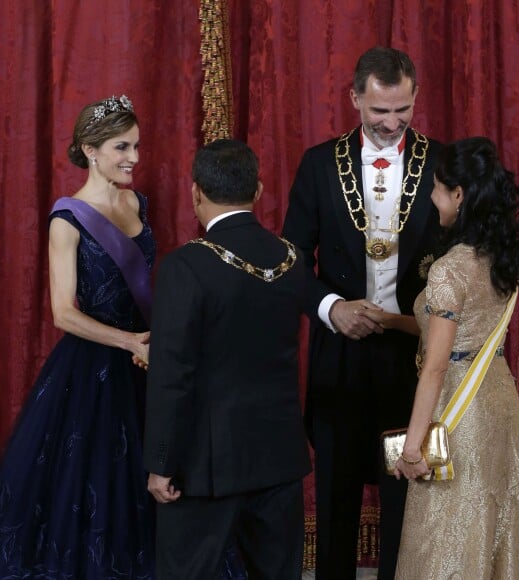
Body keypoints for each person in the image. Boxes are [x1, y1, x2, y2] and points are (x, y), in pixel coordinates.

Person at [282, 47, 442, 579]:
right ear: (355, 99)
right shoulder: (317, 163)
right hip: (339, 355)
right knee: (336, 494)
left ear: (415, 97)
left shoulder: (442, 163)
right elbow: (292, 261)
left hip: (414, 359)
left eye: (402, 110)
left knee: (405, 492)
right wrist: (332, 309)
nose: (392, 123)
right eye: (379, 111)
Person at [0, 95, 155, 578]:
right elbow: (63, 314)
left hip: (147, 357)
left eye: (135, 145)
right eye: (120, 147)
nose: (133, 157)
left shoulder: (135, 201)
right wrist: (130, 342)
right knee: (93, 477)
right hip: (95, 365)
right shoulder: (67, 219)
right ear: (90, 150)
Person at [142, 138, 312, 580]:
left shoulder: (185, 266)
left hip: (203, 465)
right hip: (279, 457)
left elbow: (171, 376)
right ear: (257, 191)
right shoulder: (290, 258)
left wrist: (160, 462)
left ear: (195, 191)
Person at [393, 137, 519, 578]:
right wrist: (387, 319)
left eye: (436, 187)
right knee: (490, 530)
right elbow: (459, 330)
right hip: (498, 402)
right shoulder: (499, 255)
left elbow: (436, 365)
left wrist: (413, 447)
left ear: (458, 195)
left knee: (446, 541)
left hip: (459, 409)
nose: (431, 196)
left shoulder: (450, 269)